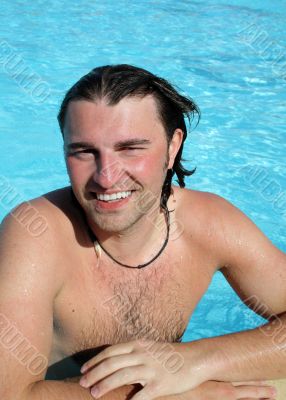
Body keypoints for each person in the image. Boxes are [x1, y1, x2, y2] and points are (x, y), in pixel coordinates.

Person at [0, 64, 285, 400]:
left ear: (172, 146)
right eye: (84, 151)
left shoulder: (209, 224)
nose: (106, 178)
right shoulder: (35, 234)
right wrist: (179, 397)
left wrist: (193, 362)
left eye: (130, 149)